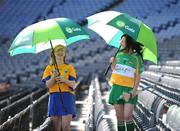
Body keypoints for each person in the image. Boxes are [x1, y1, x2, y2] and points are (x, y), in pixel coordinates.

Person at [108, 34, 144, 131]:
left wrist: (135, 89)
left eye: (123, 40)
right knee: (119, 118)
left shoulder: (137, 57)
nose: (120, 42)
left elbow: (138, 75)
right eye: (120, 40)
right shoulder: (118, 54)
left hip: (129, 90)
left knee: (127, 116)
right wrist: (112, 63)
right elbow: (115, 70)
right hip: (116, 88)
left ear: (129, 42)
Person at [42, 45, 77, 131]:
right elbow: (48, 85)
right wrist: (53, 77)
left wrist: (64, 80)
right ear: (53, 54)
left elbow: (73, 84)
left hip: (67, 97)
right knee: (56, 127)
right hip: (54, 97)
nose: (60, 53)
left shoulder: (69, 67)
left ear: (65, 54)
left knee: (65, 126)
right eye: (58, 51)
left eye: (62, 51)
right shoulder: (49, 68)